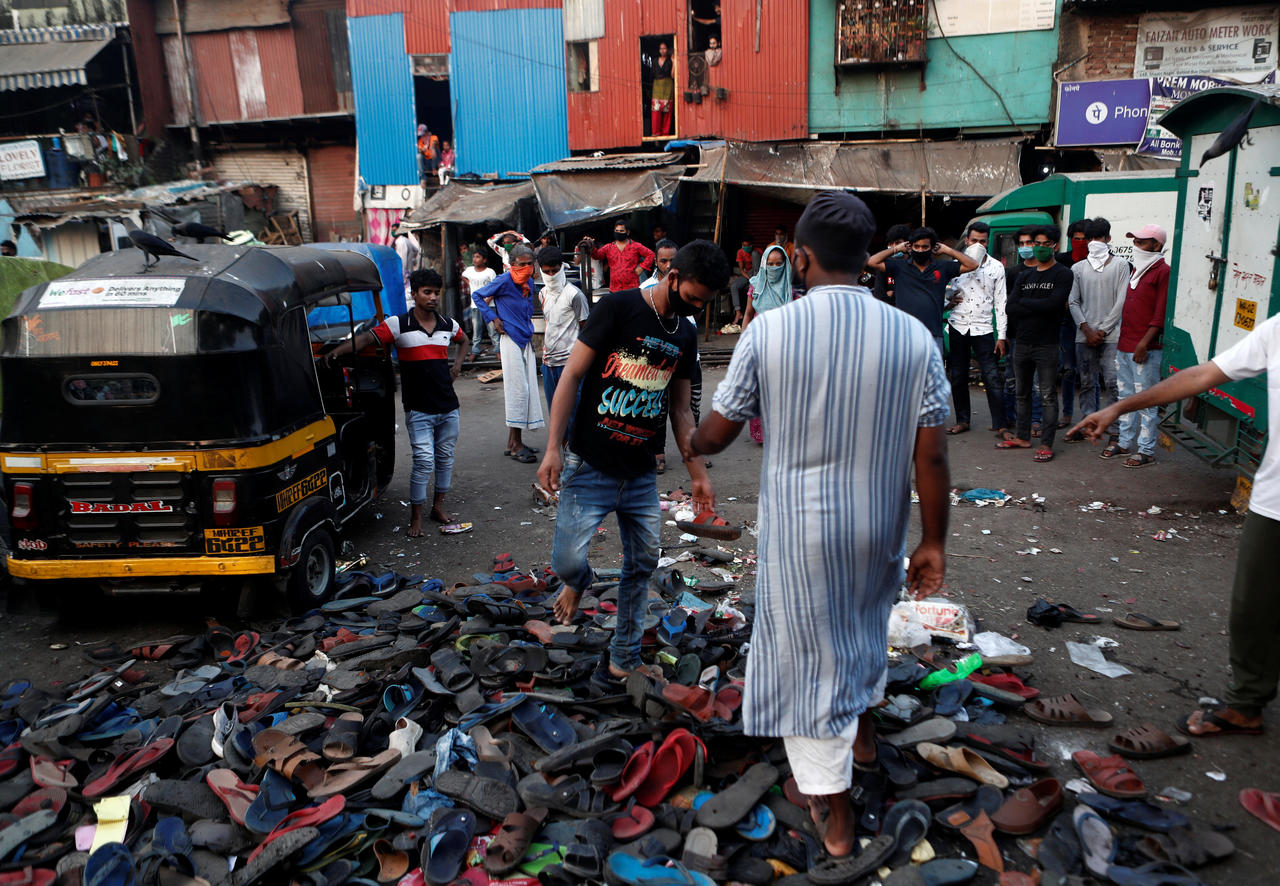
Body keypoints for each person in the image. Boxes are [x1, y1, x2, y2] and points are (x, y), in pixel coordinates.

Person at [689, 191, 951, 861]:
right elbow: (933, 453)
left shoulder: (770, 330)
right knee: (862, 629)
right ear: (866, 259)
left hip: (802, 535)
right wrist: (933, 541)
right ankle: (863, 738)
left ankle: (834, 817)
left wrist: (690, 435)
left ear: (800, 257)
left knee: (809, 664)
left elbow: (717, 435)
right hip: (878, 528)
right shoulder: (913, 336)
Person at [1070, 304, 1280, 740]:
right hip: (1275, 501)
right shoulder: (1277, 331)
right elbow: (1201, 376)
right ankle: (1246, 704)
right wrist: (1121, 407)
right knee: (1253, 610)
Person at [538, 240, 728, 680]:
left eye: (705, 302)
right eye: (694, 296)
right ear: (673, 276)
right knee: (567, 564)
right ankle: (578, 582)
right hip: (589, 466)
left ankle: (624, 656)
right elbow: (571, 375)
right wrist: (552, 447)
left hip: (641, 474)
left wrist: (697, 474)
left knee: (641, 565)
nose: (696, 307)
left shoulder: (683, 331)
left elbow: (681, 411)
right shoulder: (619, 308)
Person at [323, 269, 468, 537]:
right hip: (418, 408)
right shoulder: (398, 324)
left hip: (448, 407)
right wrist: (337, 351)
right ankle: (416, 517)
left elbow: (464, 341)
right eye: (427, 292)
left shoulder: (449, 324)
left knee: (445, 459)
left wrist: (457, 366)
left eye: (436, 292)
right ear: (414, 294)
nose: (433, 297)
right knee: (424, 461)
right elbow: (366, 338)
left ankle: (438, 508)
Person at [1000, 225, 1073, 462]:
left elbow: (1055, 304)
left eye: (1044, 244)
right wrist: (1038, 305)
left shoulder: (1062, 274)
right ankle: (1022, 437)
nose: (1038, 248)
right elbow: (1010, 307)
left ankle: (1046, 443)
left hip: (1047, 344)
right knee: (1022, 393)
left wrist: (1027, 304)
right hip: (1022, 342)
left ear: (1055, 246)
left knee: (1047, 395)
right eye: (1035, 244)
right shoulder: (1023, 276)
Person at [1103, 224, 1170, 467]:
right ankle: (1124, 442)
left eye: (1142, 242)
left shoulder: (1163, 272)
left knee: (1145, 401)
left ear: (1157, 245)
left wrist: (1144, 343)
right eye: (1135, 241)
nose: (1137, 246)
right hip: (1125, 344)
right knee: (1125, 398)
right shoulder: (1138, 270)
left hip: (1145, 349)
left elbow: (1160, 314)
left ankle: (1146, 450)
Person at [473, 244, 544, 462]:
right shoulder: (504, 280)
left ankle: (513, 442)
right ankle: (515, 445)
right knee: (518, 390)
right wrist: (493, 318)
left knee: (527, 389)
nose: (527, 268)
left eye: (530, 264)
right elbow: (477, 296)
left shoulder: (529, 282)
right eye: (522, 264)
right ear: (512, 265)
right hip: (510, 338)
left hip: (525, 339)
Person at [1064, 217, 1127, 444]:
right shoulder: (1078, 268)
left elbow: (1122, 300)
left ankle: (1115, 430)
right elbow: (1073, 301)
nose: (1094, 242)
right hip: (1084, 336)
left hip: (1111, 336)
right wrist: (1087, 329)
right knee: (1088, 382)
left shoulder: (1121, 265)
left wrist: (1103, 330)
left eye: (1098, 238)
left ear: (1108, 239)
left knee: (1112, 382)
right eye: (1091, 238)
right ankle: (1089, 425)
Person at [643, 239, 704, 473]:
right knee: (658, 408)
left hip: (690, 358)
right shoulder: (648, 288)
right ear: (656, 261)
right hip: (659, 359)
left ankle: (693, 452)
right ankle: (658, 452)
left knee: (692, 407)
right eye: (663, 260)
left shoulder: (690, 283)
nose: (668, 265)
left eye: (672, 260)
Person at [866, 226, 977, 352]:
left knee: (932, 371)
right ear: (910, 247)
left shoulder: (942, 267)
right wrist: (896, 248)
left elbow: (972, 264)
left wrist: (948, 250)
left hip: (933, 334)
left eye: (925, 247)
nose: (920, 250)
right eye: (916, 246)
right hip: (905, 335)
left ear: (932, 247)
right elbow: (871, 262)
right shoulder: (899, 267)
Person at [944, 221, 1007, 435]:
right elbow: (944, 293)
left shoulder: (996, 267)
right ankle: (963, 420)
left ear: (987, 242)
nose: (978, 244)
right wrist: (947, 303)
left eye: (982, 241)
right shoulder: (954, 265)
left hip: (983, 329)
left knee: (991, 376)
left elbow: (1001, 303)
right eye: (974, 240)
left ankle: (1000, 423)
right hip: (957, 326)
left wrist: (1002, 336)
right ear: (967, 240)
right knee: (959, 375)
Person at [537, 245, 590, 411]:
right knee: (555, 412)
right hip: (549, 362)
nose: (551, 275)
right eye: (547, 271)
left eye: (555, 270)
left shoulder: (575, 295)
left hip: (570, 362)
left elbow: (586, 330)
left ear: (562, 268)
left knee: (574, 411)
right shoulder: (542, 294)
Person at [583, 221, 655, 293]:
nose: (619, 233)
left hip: (632, 288)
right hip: (614, 289)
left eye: (621, 231)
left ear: (627, 232)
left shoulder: (636, 246)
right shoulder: (609, 247)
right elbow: (597, 256)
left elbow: (651, 255)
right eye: (617, 231)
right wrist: (591, 246)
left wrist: (642, 267)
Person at [461, 251, 497, 358]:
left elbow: (495, 287)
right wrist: (470, 284)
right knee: (477, 329)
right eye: (474, 257)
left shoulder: (490, 272)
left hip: (489, 305)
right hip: (475, 306)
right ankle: (475, 350)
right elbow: (463, 276)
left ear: (484, 260)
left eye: (478, 257)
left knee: (492, 329)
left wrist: (488, 299)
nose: (475, 259)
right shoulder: (469, 270)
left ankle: (497, 349)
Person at [872, 224, 910, 304]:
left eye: (897, 243)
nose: (893, 246)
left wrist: (893, 293)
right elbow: (879, 297)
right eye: (890, 243)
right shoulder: (884, 265)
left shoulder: (914, 263)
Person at [730, 237, 762, 326]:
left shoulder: (757, 251)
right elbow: (741, 270)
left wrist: (754, 279)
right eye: (744, 245)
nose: (745, 247)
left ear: (752, 245)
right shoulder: (740, 252)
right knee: (734, 286)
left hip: (757, 274)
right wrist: (749, 278)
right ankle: (738, 313)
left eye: (748, 245)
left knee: (755, 255)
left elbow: (760, 267)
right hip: (747, 274)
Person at [650, 42, 674, 136]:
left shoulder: (669, 61)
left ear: (667, 50)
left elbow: (672, 75)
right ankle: (656, 132)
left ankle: (665, 132)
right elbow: (652, 75)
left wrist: (674, 62)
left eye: (664, 48)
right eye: (661, 48)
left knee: (667, 109)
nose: (662, 50)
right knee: (656, 109)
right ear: (659, 50)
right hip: (657, 85)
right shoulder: (655, 61)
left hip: (668, 85)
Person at [392, 224, 420, 294]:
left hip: (404, 273)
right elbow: (416, 250)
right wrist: (412, 259)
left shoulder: (400, 242)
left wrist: (403, 272)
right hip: (409, 271)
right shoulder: (406, 240)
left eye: (395, 230)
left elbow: (402, 258)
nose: (393, 232)